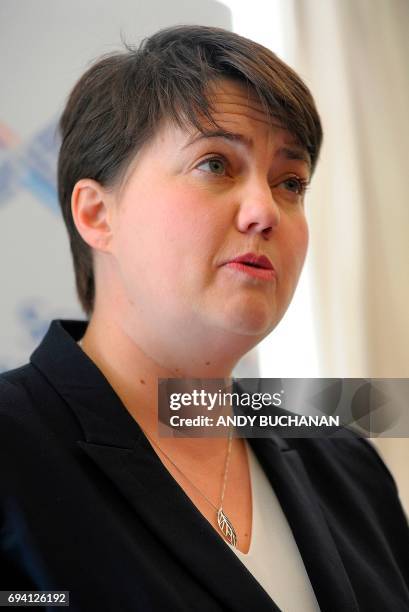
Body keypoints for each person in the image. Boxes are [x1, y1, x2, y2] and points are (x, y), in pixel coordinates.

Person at [0, 24, 408, 612]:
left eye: (290, 182)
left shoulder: (346, 464)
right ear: (97, 214)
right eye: (215, 164)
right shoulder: (14, 454)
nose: (265, 210)